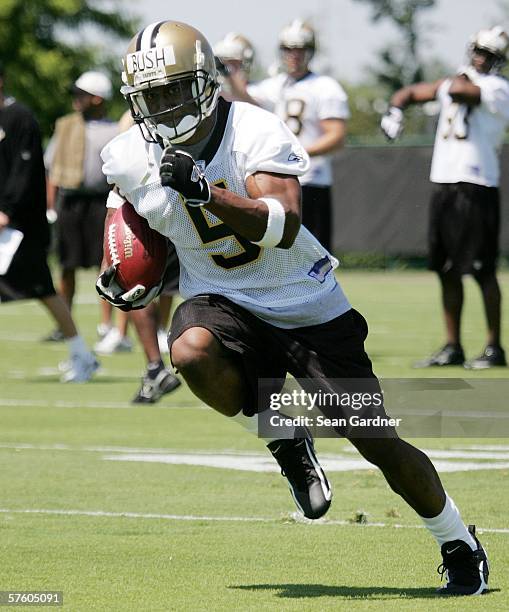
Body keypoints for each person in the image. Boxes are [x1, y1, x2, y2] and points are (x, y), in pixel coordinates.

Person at [97, 20, 489, 595]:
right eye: (152, 95)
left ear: (205, 83)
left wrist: (206, 190)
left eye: (174, 89)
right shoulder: (127, 153)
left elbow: (281, 226)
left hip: (305, 302)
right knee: (190, 352)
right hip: (222, 296)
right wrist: (123, 270)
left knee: (374, 439)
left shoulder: (252, 126)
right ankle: (282, 435)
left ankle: (457, 540)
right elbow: (125, 210)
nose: (163, 105)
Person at [381, 26, 509, 369]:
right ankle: (453, 346)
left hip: (477, 184)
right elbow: (409, 92)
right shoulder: (457, 80)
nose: (481, 58)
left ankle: (494, 347)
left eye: (489, 54)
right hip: (445, 183)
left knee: (482, 270)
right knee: (446, 269)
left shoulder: (497, 88)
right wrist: (394, 110)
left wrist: (449, 80)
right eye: (478, 51)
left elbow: (458, 90)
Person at [0, 62, 98, 382]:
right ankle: (81, 353)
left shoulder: (20, 118)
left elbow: (26, 171)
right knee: (44, 290)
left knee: (43, 289)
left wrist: (7, 211)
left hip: (20, 227)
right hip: (7, 225)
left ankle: (82, 354)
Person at [223, 20, 349, 251]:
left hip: (312, 180)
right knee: (278, 252)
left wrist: (298, 152)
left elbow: (337, 136)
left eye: (300, 49)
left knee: (315, 255)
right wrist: (229, 73)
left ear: (310, 51)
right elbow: (246, 103)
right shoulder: (275, 85)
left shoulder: (325, 86)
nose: (294, 55)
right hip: (279, 180)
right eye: (288, 49)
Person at [44, 70, 119, 342]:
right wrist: (50, 206)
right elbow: (51, 169)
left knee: (108, 262)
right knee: (67, 263)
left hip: (102, 202)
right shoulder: (65, 125)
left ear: (97, 99)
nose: (76, 100)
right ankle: (65, 325)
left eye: (82, 95)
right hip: (70, 202)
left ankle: (106, 326)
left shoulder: (114, 129)